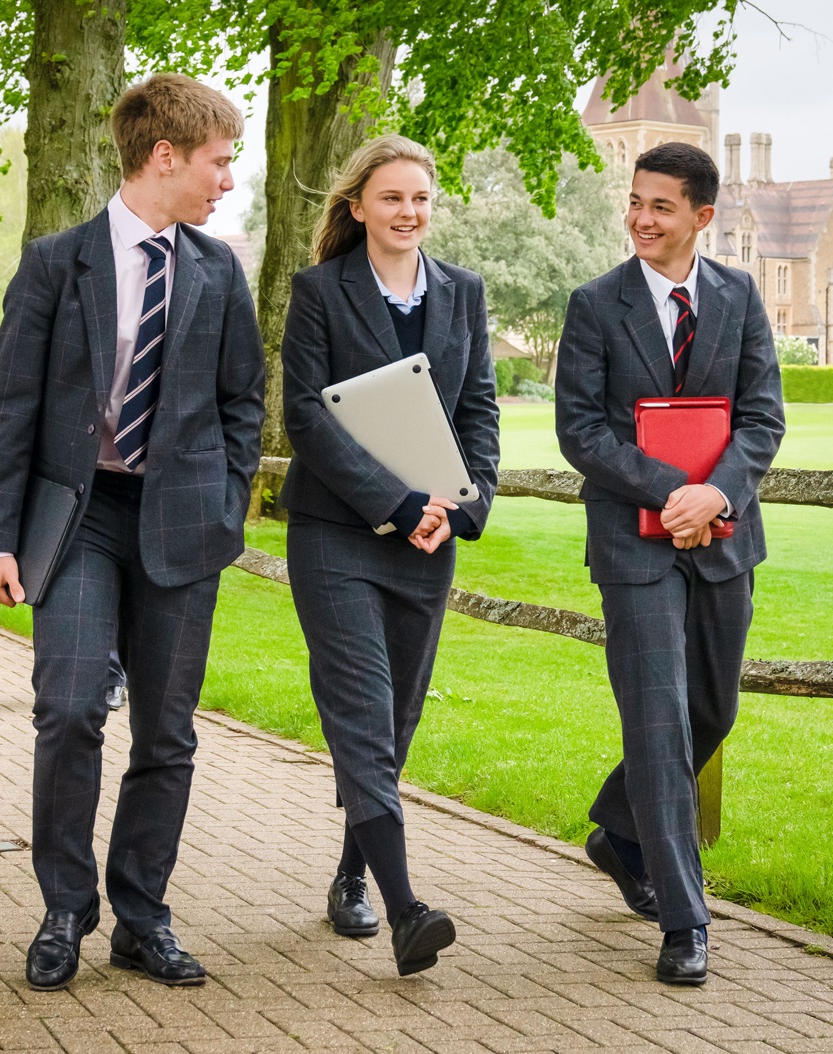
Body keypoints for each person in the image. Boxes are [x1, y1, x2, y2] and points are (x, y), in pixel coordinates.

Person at [0, 73, 264, 992]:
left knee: (167, 733)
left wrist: (226, 503)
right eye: (220, 163)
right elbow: (8, 405)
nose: (227, 182)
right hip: (80, 518)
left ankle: (142, 918)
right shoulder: (59, 262)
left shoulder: (217, 270)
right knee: (69, 708)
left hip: (183, 526)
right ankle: (65, 909)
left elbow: (243, 401)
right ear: (165, 155)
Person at [554, 141, 785, 986]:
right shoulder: (593, 305)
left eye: (661, 207)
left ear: (702, 217)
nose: (641, 219)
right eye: (636, 203)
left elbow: (763, 419)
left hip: (724, 541)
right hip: (633, 544)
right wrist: (670, 493)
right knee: (658, 723)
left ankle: (620, 835)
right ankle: (685, 921)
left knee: (711, 713)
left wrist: (714, 497)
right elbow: (581, 431)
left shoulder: (740, 297)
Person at [277, 134, 500, 976]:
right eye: (393, 198)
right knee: (361, 715)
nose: (409, 213)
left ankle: (351, 872)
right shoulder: (318, 293)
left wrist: (461, 505)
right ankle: (407, 909)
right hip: (336, 535)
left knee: (395, 723)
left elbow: (477, 409)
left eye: (421, 200)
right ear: (357, 206)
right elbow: (306, 415)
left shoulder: (463, 294)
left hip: (431, 540)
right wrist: (394, 503)